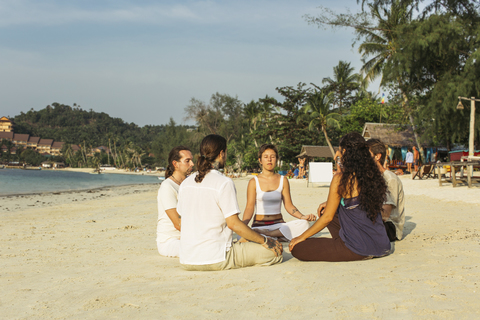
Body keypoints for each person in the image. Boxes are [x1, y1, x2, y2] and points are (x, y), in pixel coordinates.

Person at [178, 134, 283, 271]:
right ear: (222, 154)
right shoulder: (224, 182)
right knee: (275, 252)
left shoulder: (185, 183)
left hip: (187, 259)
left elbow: (181, 219)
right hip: (217, 257)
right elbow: (233, 224)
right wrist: (265, 241)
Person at [289, 132, 391, 262]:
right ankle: (343, 240)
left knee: (298, 248)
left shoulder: (341, 178)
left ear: (344, 152)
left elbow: (327, 218)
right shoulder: (373, 175)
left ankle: (343, 244)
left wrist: (301, 237)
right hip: (382, 245)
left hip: (359, 248)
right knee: (327, 209)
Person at [242, 144, 316, 242]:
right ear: (260, 160)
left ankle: (269, 235)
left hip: (278, 226)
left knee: (305, 224)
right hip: (259, 226)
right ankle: (278, 237)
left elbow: (289, 205)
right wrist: (243, 227)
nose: (269, 160)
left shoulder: (283, 180)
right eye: (266, 157)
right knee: (241, 235)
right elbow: (249, 207)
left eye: (272, 157)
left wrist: (303, 217)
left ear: (276, 159)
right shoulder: (253, 182)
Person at [156, 146, 195, 257]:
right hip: (170, 241)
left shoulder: (189, 184)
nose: (192, 164)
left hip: (187, 236)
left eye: (192, 160)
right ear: (175, 164)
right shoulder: (167, 186)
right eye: (187, 161)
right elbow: (178, 224)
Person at [367, 139, 406, 242]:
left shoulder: (389, 178)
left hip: (390, 227)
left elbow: (385, 215)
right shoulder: (370, 178)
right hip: (377, 221)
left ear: (377, 156)